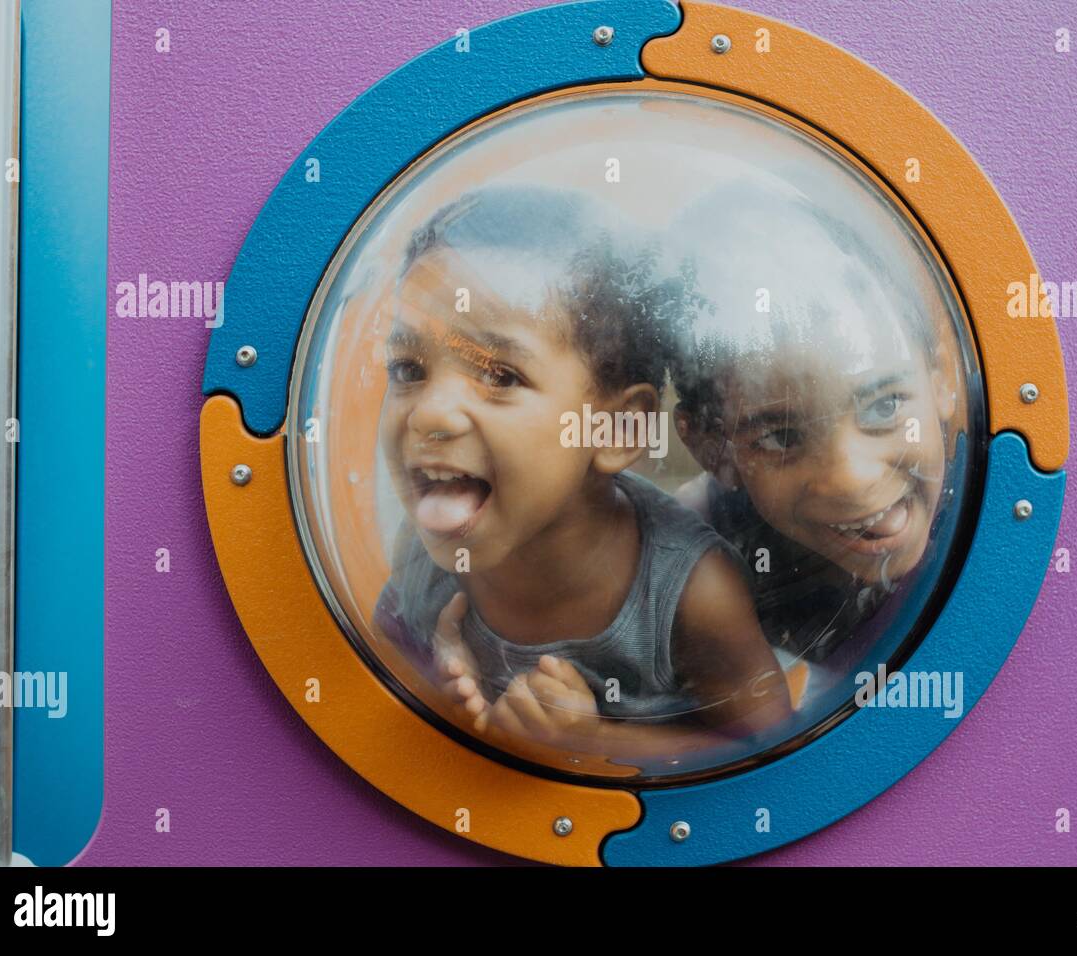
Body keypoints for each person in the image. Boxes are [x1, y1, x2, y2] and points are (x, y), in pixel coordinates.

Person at [370, 185, 790, 763]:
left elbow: (774, 753)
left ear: (614, 431)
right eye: (408, 368)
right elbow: (378, 672)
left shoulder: (692, 592)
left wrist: (588, 742)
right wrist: (437, 682)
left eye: (499, 376)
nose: (429, 413)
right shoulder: (429, 546)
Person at [667, 182, 972, 676]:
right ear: (710, 449)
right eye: (780, 437)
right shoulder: (697, 548)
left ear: (942, 377)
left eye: (883, 406)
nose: (851, 478)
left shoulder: (983, 518)